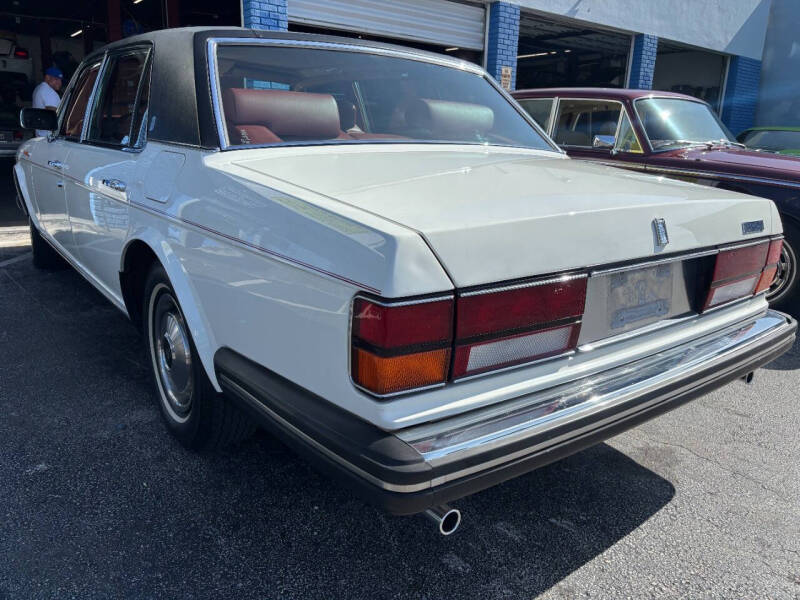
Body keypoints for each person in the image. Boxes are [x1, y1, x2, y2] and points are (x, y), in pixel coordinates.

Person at [31, 66, 63, 137]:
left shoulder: (39, 88)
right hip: (49, 137)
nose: (59, 82)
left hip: (41, 135)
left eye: (60, 80)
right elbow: (55, 115)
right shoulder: (48, 91)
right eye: (56, 79)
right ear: (47, 77)